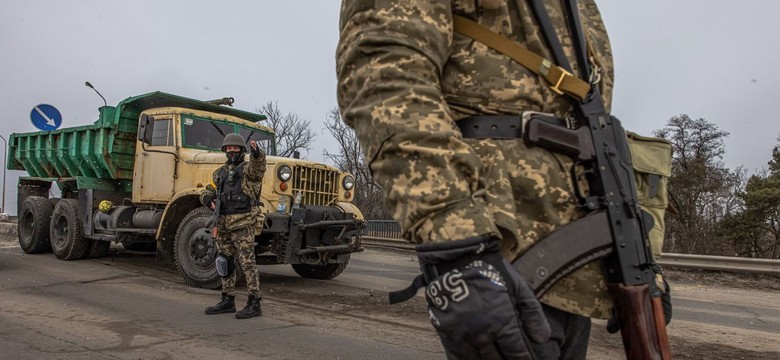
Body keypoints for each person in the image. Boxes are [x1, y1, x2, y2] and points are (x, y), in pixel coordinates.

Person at [337, 1, 617, 359]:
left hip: (573, 265)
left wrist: (630, 254)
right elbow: (385, 75)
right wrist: (457, 246)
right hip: (498, 244)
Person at [200, 133, 266, 319]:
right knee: (224, 262)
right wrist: (206, 197)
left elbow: (258, 168)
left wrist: (256, 153)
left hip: (243, 222)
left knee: (247, 264)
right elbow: (209, 189)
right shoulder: (220, 173)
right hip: (223, 224)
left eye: (235, 149)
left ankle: (254, 302)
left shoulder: (247, 172)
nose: (231, 152)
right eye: (228, 149)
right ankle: (227, 300)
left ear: (241, 151)